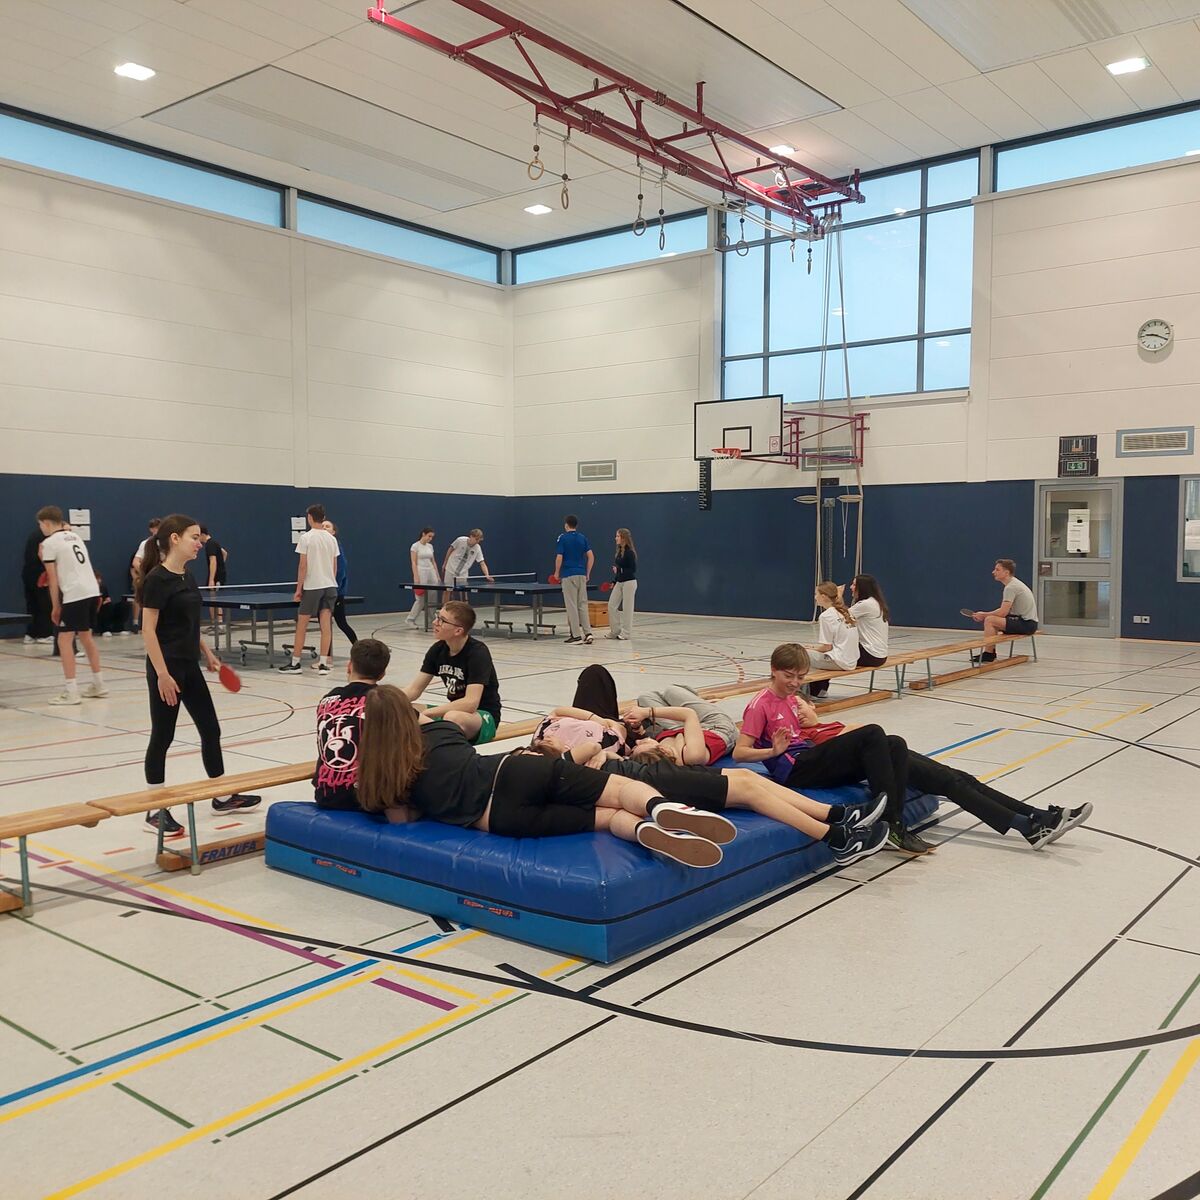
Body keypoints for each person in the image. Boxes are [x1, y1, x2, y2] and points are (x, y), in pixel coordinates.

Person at [735, 643, 1092, 855]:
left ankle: (1032, 821)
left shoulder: (796, 701)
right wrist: (773, 750)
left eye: (800, 678)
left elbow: (814, 732)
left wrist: (812, 720)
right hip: (800, 766)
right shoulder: (761, 704)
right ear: (774, 671)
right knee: (879, 735)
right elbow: (741, 752)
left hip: (825, 752)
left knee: (921, 758)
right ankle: (892, 822)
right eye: (789, 677)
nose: (795, 683)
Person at [356, 686, 733, 868]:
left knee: (607, 819)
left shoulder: (387, 776)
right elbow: (428, 717)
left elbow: (401, 819)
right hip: (514, 772)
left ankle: (641, 832)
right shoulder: (439, 731)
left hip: (500, 819)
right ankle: (661, 808)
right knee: (622, 790)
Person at [137, 513, 260, 838]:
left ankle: (221, 796)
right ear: (174, 539)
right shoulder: (156, 579)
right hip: (167, 668)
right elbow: (148, 630)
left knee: (210, 728)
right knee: (163, 736)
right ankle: (154, 810)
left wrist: (207, 653)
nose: (200, 543)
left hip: (189, 665)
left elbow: (190, 624)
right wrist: (162, 674)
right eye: (194, 537)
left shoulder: (187, 577)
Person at [402, 600, 501, 745]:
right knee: (405, 710)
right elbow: (414, 689)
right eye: (437, 617)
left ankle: (442, 742)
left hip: (482, 716)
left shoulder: (478, 652)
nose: (435, 622)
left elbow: (470, 703)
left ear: (458, 631)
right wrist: (389, 701)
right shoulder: (437, 650)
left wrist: (426, 714)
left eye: (442, 620)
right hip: (453, 713)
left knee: (453, 717)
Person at [37, 506, 106, 705]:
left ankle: (71, 691)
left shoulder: (49, 543)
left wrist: (55, 606)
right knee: (86, 637)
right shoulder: (75, 536)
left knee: (64, 640)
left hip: (75, 594)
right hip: (92, 590)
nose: (41, 528)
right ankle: (99, 684)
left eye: (41, 525)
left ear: (47, 523)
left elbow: (52, 578)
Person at [314, 638, 391, 811]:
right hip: (369, 800)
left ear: (349, 666)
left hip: (327, 795)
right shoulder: (384, 700)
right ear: (382, 674)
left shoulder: (328, 699)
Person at [279, 504, 339, 675]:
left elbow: (303, 566)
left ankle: (296, 663)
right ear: (323, 517)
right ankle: (323, 664)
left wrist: (299, 589)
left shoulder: (306, 538)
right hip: (330, 586)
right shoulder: (332, 539)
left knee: (302, 625)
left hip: (313, 586)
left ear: (310, 518)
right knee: (326, 626)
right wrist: (331, 580)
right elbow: (334, 565)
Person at [625, 684, 739, 766]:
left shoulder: (662, 755)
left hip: (681, 731)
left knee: (645, 698)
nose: (637, 742)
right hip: (716, 727)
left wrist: (638, 728)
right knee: (672, 691)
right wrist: (648, 712)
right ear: (662, 750)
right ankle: (693, 697)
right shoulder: (692, 756)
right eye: (640, 744)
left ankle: (682, 702)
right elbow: (689, 714)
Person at [972, 558, 1039, 663]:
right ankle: (990, 653)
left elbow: (1003, 612)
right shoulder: (1014, 584)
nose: (993, 572)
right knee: (992, 620)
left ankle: (989, 654)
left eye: (997, 570)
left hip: (1027, 624)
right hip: (1028, 623)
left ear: (1006, 572)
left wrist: (983, 615)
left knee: (990, 620)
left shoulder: (1011, 587)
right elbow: (1004, 611)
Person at [805, 581, 859, 697]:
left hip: (840, 661)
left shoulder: (826, 616)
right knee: (816, 657)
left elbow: (826, 647)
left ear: (824, 596)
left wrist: (811, 649)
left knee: (799, 655)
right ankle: (820, 690)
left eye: (816, 594)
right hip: (852, 660)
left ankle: (802, 693)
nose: (815, 597)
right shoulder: (846, 611)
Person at [555, 514, 594, 646]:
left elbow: (559, 557)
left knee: (571, 606)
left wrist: (556, 572)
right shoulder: (582, 538)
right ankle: (588, 633)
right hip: (581, 574)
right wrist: (587, 573)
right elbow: (591, 556)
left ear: (566, 525)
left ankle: (576, 635)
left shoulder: (562, 538)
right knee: (582, 605)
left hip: (568, 575)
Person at [323, 520, 358, 648]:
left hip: (336, 591)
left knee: (341, 623)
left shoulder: (336, 546)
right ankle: (326, 655)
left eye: (327, 526)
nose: (324, 528)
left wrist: (334, 588)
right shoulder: (320, 546)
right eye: (322, 526)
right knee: (324, 624)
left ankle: (359, 648)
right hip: (322, 590)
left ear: (333, 532)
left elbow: (341, 569)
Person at [843, 574, 889, 667]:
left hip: (870, 655)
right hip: (880, 655)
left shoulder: (866, 604)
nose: (851, 587)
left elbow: (838, 616)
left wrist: (837, 598)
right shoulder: (876, 602)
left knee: (833, 655)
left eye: (854, 585)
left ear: (862, 588)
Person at [21, 525, 53, 644]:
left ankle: (30, 634)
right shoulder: (45, 537)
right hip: (40, 575)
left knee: (32, 605)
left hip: (28, 574)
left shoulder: (33, 535)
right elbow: (41, 555)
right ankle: (44, 634)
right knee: (45, 604)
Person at [406, 527, 441, 629]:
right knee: (420, 599)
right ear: (423, 534)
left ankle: (431, 621)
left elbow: (433, 561)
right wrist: (416, 576)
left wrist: (437, 575)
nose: (430, 538)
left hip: (431, 571)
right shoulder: (415, 546)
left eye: (432, 537)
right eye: (429, 536)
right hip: (421, 571)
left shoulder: (430, 546)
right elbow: (413, 562)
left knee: (433, 597)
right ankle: (410, 620)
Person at [607, 527, 637, 641]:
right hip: (620, 582)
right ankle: (615, 631)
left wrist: (619, 570)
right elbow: (619, 570)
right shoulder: (619, 552)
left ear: (623, 538)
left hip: (629, 583)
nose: (616, 538)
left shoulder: (630, 553)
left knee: (627, 608)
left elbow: (633, 569)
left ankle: (626, 633)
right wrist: (614, 581)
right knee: (611, 605)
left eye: (618, 536)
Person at [131, 517, 161, 632]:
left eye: (158, 527)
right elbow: (135, 562)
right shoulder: (146, 544)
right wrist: (147, 573)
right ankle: (137, 623)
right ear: (151, 529)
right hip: (151, 580)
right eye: (154, 527)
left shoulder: (167, 543)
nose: (156, 529)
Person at [442, 529, 493, 596]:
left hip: (463, 573)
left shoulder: (477, 548)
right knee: (447, 590)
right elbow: (450, 549)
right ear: (471, 536)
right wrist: (445, 562)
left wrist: (487, 575)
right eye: (476, 539)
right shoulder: (460, 540)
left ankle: (464, 603)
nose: (477, 542)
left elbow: (482, 563)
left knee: (463, 592)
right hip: (450, 568)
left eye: (479, 540)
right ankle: (445, 603)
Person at [199, 525, 228, 632]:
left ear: (202, 534)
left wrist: (212, 579)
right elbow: (224, 553)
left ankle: (220, 625)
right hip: (217, 574)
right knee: (212, 599)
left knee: (216, 599)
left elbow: (213, 561)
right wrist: (222, 565)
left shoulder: (210, 544)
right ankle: (214, 624)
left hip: (216, 577)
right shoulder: (214, 543)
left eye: (198, 536)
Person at [92, 572, 131, 637]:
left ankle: (119, 628)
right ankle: (105, 630)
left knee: (124, 605)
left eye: (99, 578)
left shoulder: (103, 588)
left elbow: (107, 598)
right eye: (96, 578)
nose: (98, 580)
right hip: (97, 611)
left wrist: (107, 600)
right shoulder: (89, 590)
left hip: (107, 608)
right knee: (107, 606)